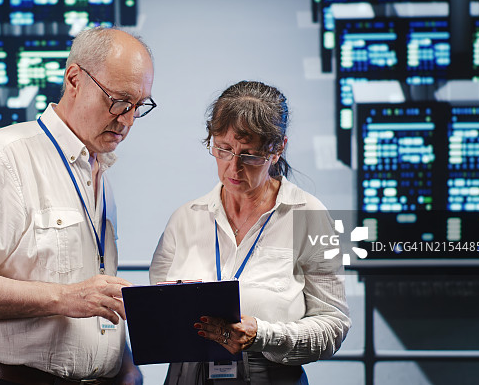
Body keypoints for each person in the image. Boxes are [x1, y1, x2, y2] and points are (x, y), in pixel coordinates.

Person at [0, 26, 155, 385]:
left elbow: (90, 291)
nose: (126, 119)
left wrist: (123, 364)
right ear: (74, 79)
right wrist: (63, 298)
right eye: (119, 100)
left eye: (139, 106)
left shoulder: (96, 168)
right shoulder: (6, 156)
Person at [149, 81, 350, 384]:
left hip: (268, 374)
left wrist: (264, 334)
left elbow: (333, 326)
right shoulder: (186, 218)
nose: (233, 168)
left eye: (250, 155)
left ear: (279, 148)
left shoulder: (308, 216)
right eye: (223, 149)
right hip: (188, 374)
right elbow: (157, 315)